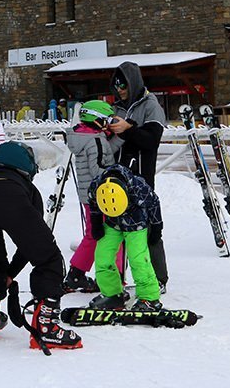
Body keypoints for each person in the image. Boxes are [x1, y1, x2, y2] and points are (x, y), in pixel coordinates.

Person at [0, 141, 82, 349]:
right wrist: (11, 274)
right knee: (49, 257)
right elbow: (34, 244)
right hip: (13, 194)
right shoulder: (26, 186)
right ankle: (46, 328)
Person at [107, 61, 169, 292]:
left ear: (133, 82)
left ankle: (159, 279)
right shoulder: (117, 107)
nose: (119, 89)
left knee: (150, 227)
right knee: (117, 228)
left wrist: (128, 129)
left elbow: (151, 141)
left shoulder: (150, 105)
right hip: (118, 178)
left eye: (123, 84)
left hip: (142, 177)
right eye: (115, 85)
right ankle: (118, 277)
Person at [86, 164, 163, 311]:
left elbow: (154, 203)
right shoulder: (96, 186)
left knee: (138, 260)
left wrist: (157, 227)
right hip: (112, 223)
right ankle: (113, 294)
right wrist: (96, 223)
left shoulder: (138, 186)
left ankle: (149, 298)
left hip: (136, 224)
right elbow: (94, 204)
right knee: (103, 256)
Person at [62, 100, 119, 293]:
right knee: (112, 234)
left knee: (93, 234)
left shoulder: (82, 137)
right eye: (106, 120)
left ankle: (75, 274)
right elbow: (98, 169)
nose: (108, 124)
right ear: (97, 119)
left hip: (88, 195)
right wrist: (117, 173)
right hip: (102, 196)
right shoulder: (96, 140)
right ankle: (113, 277)